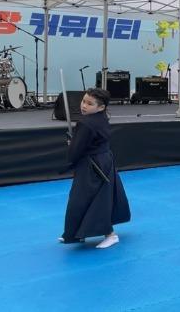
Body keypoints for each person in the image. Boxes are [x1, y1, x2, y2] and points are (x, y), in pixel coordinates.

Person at [60, 88, 131, 249]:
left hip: (93, 165)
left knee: (93, 199)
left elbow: (76, 150)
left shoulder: (85, 123)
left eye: (89, 103)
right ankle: (77, 233)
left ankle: (110, 235)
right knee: (87, 198)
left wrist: (72, 145)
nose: (84, 105)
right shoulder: (100, 118)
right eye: (83, 101)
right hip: (103, 160)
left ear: (101, 107)